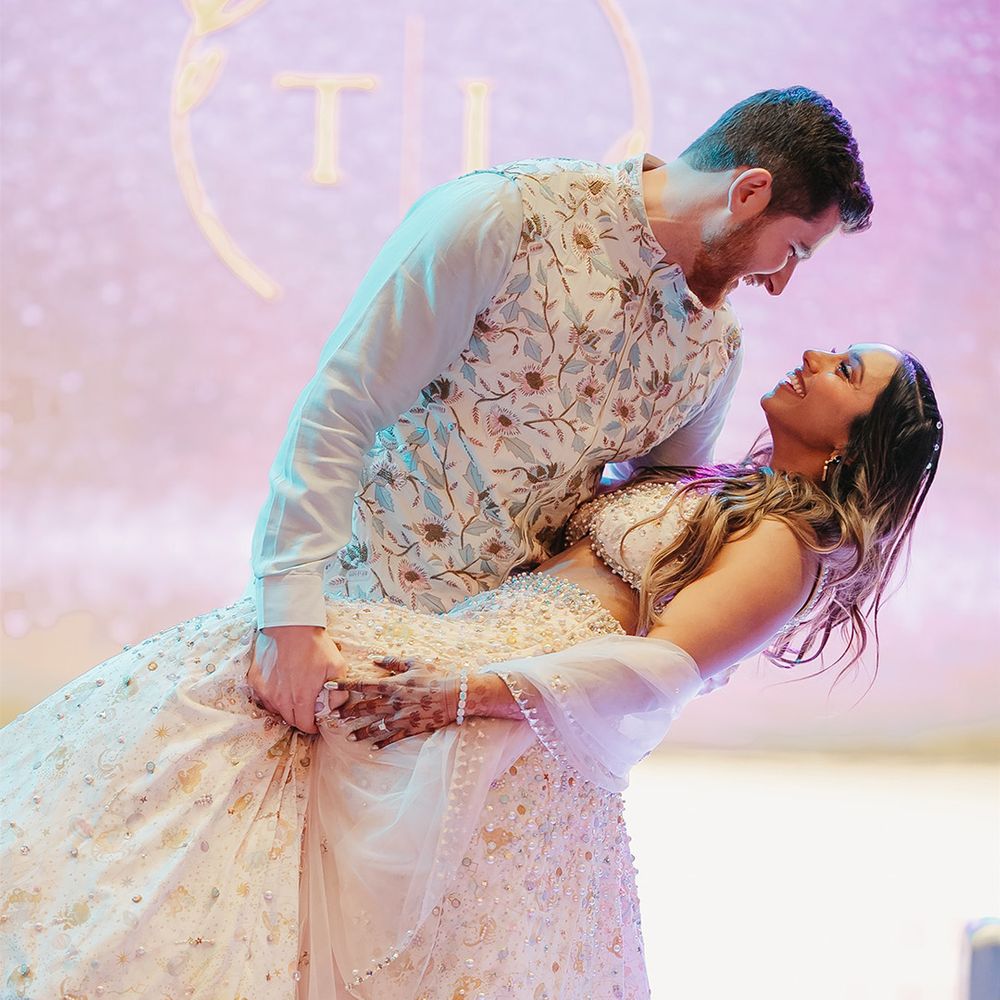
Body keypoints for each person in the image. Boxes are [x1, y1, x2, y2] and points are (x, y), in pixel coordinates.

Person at [0, 344, 941, 999]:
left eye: (846, 371)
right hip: (468, 654)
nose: (816, 356)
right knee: (230, 717)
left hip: (503, 709)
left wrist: (462, 696)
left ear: (855, 443)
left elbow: (657, 670)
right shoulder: (717, 488)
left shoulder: (782, 544)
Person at [248, 86, 874, 738]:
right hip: (340, 636)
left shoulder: (717, 348)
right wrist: (288, 620)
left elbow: (647, 525)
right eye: (794, 251)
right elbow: (340, 406)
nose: (780, 282)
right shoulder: (504, 216)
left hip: (487, 704)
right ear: (748, 192)